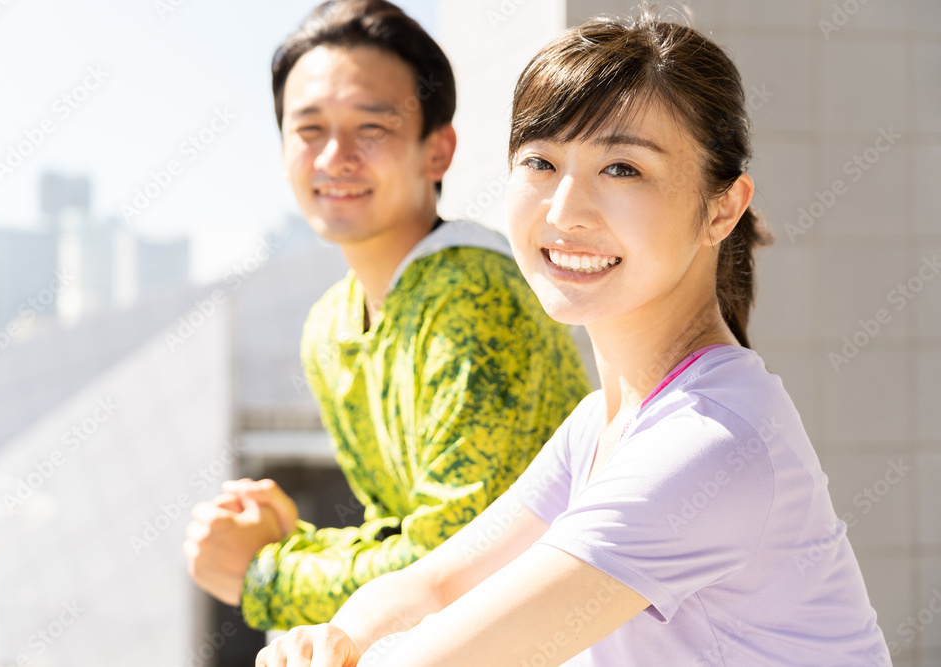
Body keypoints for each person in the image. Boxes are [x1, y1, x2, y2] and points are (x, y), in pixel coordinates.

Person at [255, 11, 893, 667]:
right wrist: (332, 637)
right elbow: (434, 583)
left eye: (622, 168)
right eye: (540, 161)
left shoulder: (712, 440)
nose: (565, 212)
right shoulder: (601, 425)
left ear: (722, 208)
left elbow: (445, 658)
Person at [182, 0, 591, 632]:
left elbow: (456, 567)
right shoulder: (330, 325)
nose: (335, 156)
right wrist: (289, 543)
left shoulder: (474, 295)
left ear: (438, 151)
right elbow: (400, 536)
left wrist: (266, 572)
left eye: (371, 127)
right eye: (309, 128)